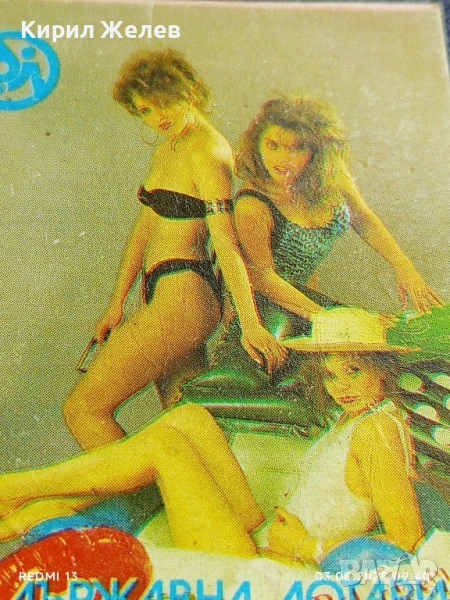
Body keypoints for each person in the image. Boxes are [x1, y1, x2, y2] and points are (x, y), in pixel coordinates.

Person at [0, 307, 442, 561]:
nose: (340, 386)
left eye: (354, 370)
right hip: (262, 530)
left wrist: (310, 547)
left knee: (166, 447)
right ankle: (34, 502)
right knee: (191, 417)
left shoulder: (378, 430)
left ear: (383, 371)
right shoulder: (357, 418)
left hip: (264, 562)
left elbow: (406, 539)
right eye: (330, 375)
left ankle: (15, 491)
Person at [63, 50, 286, 450]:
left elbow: (226, 241)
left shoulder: (209, 152)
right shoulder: (168, 147)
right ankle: (189, 491)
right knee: (185, 427)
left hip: (184, 296)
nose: (158, 117)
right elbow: (144, 228)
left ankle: (139, 489)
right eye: (145, 111)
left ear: (188, 91)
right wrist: (117, 302)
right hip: (163, 293)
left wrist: (250, 322)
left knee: (83, 409)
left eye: (163, 102)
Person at [232, 95, 442, 338]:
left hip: (311, 299)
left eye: (297, 148)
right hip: (266, 309)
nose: (283, 159)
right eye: (272, 145)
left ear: (317, 151)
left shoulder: (332, 175)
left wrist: (403, 265)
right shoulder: (252, 205)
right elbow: (262, 277)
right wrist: (333, 318)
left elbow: (362, 218)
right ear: (257, 143)